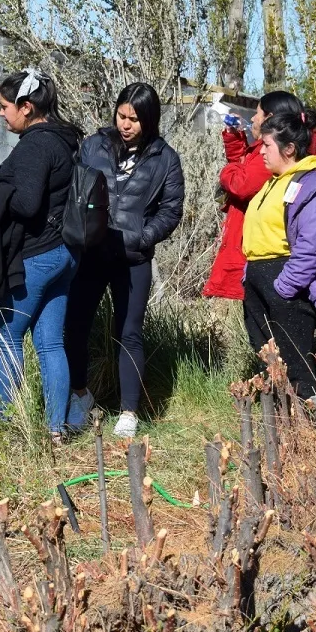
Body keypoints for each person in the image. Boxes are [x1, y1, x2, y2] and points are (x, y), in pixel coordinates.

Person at [65, 82, 185, 437]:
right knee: (75, 325)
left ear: (150, 119)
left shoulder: (165, 158)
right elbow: (75, 188)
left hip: (133, 259)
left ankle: (129, 412)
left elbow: (171, 209)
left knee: (129, 333)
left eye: (134, 118)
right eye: (121, 115)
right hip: (91, 253)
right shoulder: (94, 145)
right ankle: (80, 395)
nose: (125, 124)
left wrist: (143, 238)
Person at [0, 69, 80, 442]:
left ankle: (4, 425)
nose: (1, 113)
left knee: (7, 335)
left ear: (26, 107)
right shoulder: (64, 139)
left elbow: (27, 204)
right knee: (51, 343)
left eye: (4, 106)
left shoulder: (34, 145)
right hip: (64, 253)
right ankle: (56, 429)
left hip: (35, 256)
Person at [241, 110, 316, 398]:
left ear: (289, 149)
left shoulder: (314, 184)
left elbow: (314, 244)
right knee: (271, 362)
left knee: (297, 364)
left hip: (287, 283)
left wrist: (285, 286)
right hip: (260, 280)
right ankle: (282, 421)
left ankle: (310, 420)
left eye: (267, 145)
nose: (261, 151)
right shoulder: (274, 182)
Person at [205, 91, 316, 300]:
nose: (253, 118)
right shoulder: (274, 150)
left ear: (270, 118)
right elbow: (246, 169)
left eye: (257, 113)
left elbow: (242, 184)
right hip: (259, 254)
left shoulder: (276, 153)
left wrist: (226, 171)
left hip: (263, 257)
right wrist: (235, 141)